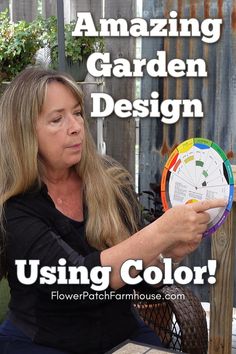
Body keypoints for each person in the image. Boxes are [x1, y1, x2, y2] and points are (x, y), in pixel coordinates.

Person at [0, 67, 226, 354]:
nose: (75, 126)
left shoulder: (111, 180)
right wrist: (160, 233)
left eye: (78, 113)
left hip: (122, 336)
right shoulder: (14, 206)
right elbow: (77, 281)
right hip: (44, 342)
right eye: (57, 119)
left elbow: (142, 282)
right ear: (24, 133)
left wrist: (166, 254)